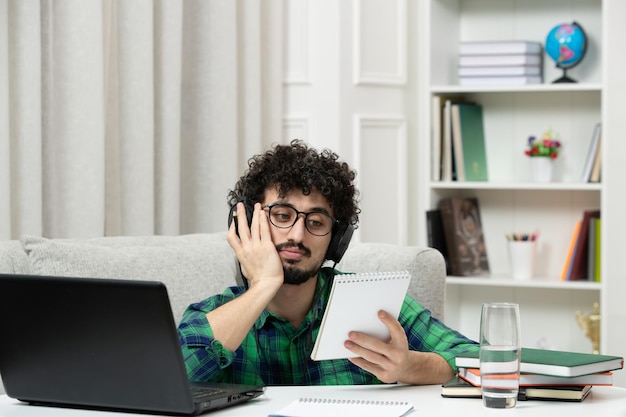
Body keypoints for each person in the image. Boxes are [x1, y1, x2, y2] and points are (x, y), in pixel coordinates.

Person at [177, 139, 478, 386]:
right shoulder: (212, 316)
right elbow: (171, 380)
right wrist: (264, 285)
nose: (297, 235)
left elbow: (479, 360)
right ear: (247, 224)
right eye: (282, 216)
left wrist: (411, 366)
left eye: (316, 222)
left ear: (336, 239)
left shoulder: (372, 304)